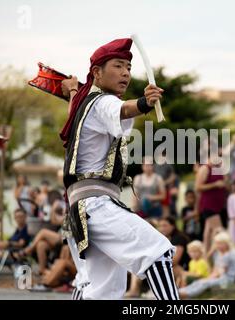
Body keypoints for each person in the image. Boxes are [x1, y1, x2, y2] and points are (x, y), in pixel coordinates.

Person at [60, 38, 178, 300]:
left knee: (103, 291)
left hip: (87, 206)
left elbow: (79, 118)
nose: (125, 72)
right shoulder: (102, 102)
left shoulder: (86, 103)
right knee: (157, 252)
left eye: (128, 67)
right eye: (118, 65)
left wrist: (71, 93)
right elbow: (123, 109)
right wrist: (145, 104)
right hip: (95, 205)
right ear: (97, 73)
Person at [179, 231, 235, 299]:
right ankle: (183, 291)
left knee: (205, 283)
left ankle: (187, 294)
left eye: (220, 244)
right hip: (223, 276)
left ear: (227, 243)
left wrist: (208, 278)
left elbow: (220, 271)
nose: (218, 246)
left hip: (229, 279)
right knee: (199, 281)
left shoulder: (229, 254)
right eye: (217, 243)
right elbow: (216, 268)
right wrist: (209, 277)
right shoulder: (221, 253)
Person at [195, 152, 228, 254]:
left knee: (208, 234)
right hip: (208, 205)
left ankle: (205, 259)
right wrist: (215, 185)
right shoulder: (205, 169)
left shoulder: (218, 168)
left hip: (218, 205)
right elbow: (198, 187)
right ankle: (226, 255)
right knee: (220, 232)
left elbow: (225, 183)